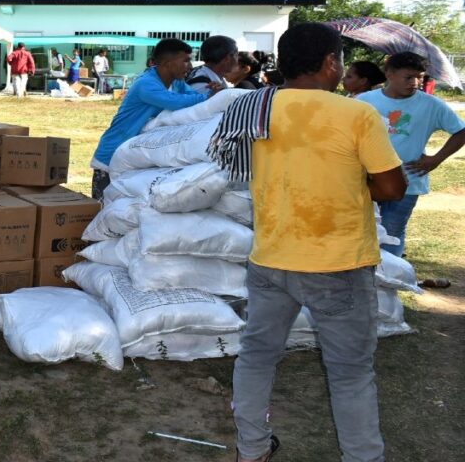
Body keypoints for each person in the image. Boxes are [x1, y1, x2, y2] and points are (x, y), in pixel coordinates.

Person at [211, 23, 406, 462]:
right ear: (330, 62)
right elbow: (392, 188)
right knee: (351, 374)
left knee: (257, 358)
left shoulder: (255, 108)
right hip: (337, 264)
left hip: (270, 258)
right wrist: (356, 184)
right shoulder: (355, 115)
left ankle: (252, 450)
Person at [357, 52, 465, 257]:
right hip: (366, 180)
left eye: (420, 77)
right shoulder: (364, 101)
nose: (415, 82)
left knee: (392, 234)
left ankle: (388, 285)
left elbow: (461, 131)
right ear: (389, 74)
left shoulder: (431, 104)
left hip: (408, 182)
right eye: (408, 77)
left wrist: (436, 159)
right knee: (361, 232)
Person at [90, 38, 221, 201]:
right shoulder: (146, 84)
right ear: (167, 63)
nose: (190, 65)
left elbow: (192, 96)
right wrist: (209, 96)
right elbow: (174, 102)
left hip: (135, 155)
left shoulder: (177, 83)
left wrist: (213, 95)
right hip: (112, 154)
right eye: (186, 60)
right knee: (104, 207)